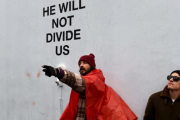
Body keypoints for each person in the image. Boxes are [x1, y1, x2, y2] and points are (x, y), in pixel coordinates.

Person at [42, 53, 137, 120]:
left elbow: (82, 82)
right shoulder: (81, 82)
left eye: (85, 63)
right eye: (80, 64)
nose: (81, 65)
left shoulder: (96, 80)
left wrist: (59, 72)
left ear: (92, 66)